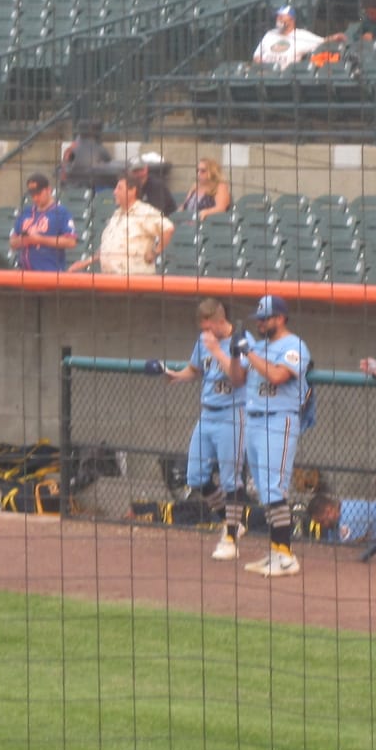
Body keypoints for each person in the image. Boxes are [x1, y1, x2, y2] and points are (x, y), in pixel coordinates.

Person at [153, 298, 249, 560]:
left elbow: (239, 379)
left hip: (233, 414)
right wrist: (176, 375)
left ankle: (230, 538)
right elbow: (195, 370)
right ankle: (232, 523)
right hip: (207, 415)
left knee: (231, 479)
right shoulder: (204, 341)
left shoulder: (241, 339)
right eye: (203, 328)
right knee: (195, 476)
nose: (205, 333)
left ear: (221, 321)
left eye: (210, 327)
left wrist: (218, 350)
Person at [224, 295, 311, 578]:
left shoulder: (294, 345)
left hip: (279, 421)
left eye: (266, 318)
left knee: (275, 488)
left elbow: (277, 376)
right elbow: (237, 380)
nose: (260, 323)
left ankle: (286, 555)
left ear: (281, 318)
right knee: (263, 490)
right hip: (254, 421)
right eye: (258, 319)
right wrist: (236, 355)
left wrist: (248, 352)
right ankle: (275, 551)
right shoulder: (259, 346)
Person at [70, 174, 174, 275]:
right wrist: (85, 262)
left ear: (132, 190)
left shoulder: (145, 211)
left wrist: (155, 252)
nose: (115, 192)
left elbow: (168, 228)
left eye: (119, 188)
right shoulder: (117, 214)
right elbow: (108, 246)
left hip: (136, 279)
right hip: (112, 280)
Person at [10, 173, 78, 271]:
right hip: (24, 274)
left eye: (38, 193)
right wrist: (23, 240)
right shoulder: (26, 212)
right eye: (32, 194)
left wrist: (40, 240)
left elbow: (71, 242)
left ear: (48, 190)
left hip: (49, 274)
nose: (35, 198)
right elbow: (12, 242)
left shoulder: (61, 212)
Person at [251, 5, 342, 70]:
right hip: (265, 72)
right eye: (277, 16)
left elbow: (322, 41)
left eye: (282, 16)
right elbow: (256, 55)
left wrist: (334, 37)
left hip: (285, 75)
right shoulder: (270, 34)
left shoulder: (302, 35)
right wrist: (262, 64)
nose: (278, 18)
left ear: (292, 19)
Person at [59, 121, 125, 191]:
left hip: (71, 188)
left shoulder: (71, 148)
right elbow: (109, 167)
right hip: (93, 188)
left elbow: (63, 171)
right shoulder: (100, 150)